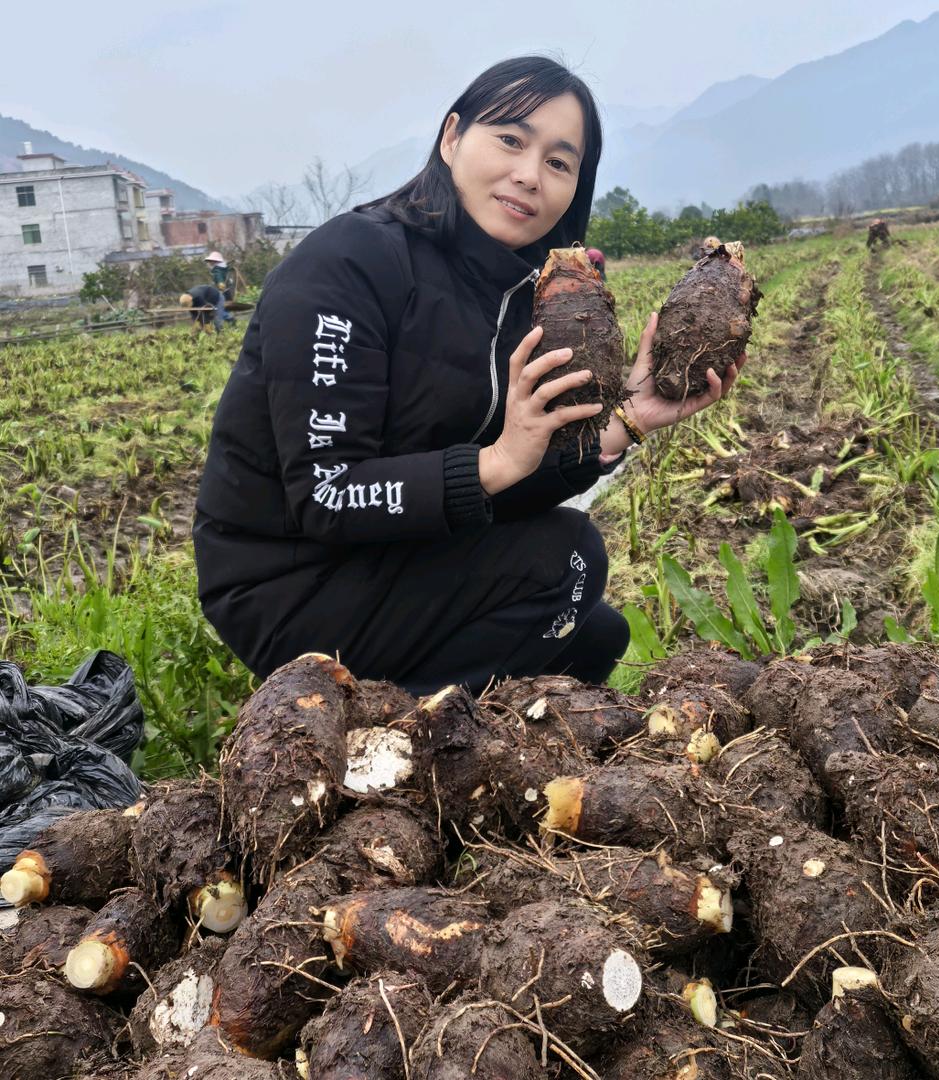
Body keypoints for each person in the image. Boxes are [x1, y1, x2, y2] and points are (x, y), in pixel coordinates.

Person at [193, 56, 745, 697]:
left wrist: (627, 420)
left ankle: (459, 739)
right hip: (291, 580)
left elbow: (495, 490)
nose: (529, 175)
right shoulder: (350, 264)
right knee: (567, 559)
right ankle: (393, 736)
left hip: (394, 551)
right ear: (452, 137)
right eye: (511, 139)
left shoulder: (520, 293)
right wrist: (499, 459)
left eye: (560, 162)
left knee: (596, 637)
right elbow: (328, 495)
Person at [204, 252, 236, 322]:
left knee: (218, 307)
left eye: (211, 261)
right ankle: (230, 319)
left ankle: (229, 318)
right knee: (224, 307)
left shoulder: (217, 270)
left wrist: (220, 285)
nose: (209, 263)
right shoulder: (225, 268)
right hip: (228, 291)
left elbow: (220, 281)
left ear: (215, 261)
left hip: (221, 292)